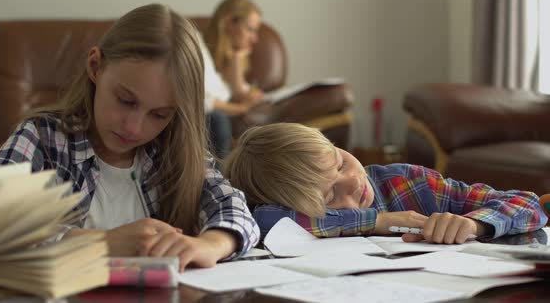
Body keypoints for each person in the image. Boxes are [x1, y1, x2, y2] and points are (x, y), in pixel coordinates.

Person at [0, 3, 260, 272]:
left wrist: (212, 244)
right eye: (125, 101)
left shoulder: (174, 150)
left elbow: (235, 209)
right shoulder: (42, 138)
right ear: (95, 67)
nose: (133, 127)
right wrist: (98, 243)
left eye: (159, 114)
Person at [224, 123, 548, 244]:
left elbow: (532, 204)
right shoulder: (281, 218)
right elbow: (263, 220)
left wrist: (475, 225)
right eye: (330, 194)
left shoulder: (407, 183)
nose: (352, 180)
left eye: (340, 161)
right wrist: (377, 221)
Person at [201, 0, 265, 158]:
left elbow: (237, 92)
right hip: (207, 114)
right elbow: (205, 101)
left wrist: (236, 59)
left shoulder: (225, 58)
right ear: (229, 23)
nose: (255, 38)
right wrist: (242, 108)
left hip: (215, 114)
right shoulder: (200, 48)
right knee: (218, 119)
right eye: (250, 29)